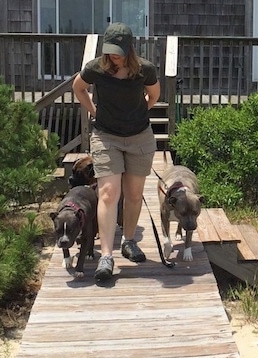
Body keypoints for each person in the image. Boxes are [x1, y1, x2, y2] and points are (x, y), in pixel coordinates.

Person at [72, 22, 160, 281]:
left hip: (139, 136)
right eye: (110, 50)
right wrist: (94, 111)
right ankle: (106, 256)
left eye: (118, 51)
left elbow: (154, 95)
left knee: (134, 195)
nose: (114, 56)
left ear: (129, 48)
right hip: (106, 136)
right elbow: (78, 88)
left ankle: (129, 241)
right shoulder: (96, 69)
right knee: (109, 192)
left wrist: (140, 111)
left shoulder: (145, 69)